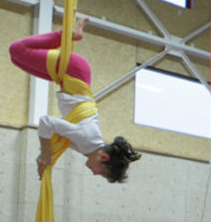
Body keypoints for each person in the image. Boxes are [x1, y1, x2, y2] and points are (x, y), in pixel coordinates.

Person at [9, 17, 141, 182]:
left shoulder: (86, 147)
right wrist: (44, 154)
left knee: (16, 58)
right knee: (16, 49)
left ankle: (68, 35)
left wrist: (47, 160)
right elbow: (46, 122)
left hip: (70, 76)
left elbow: (58, 135)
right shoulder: (86, 138)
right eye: (102, 172)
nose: (95, 173)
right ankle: (67, 34)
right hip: (74, 71)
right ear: (104, 158)